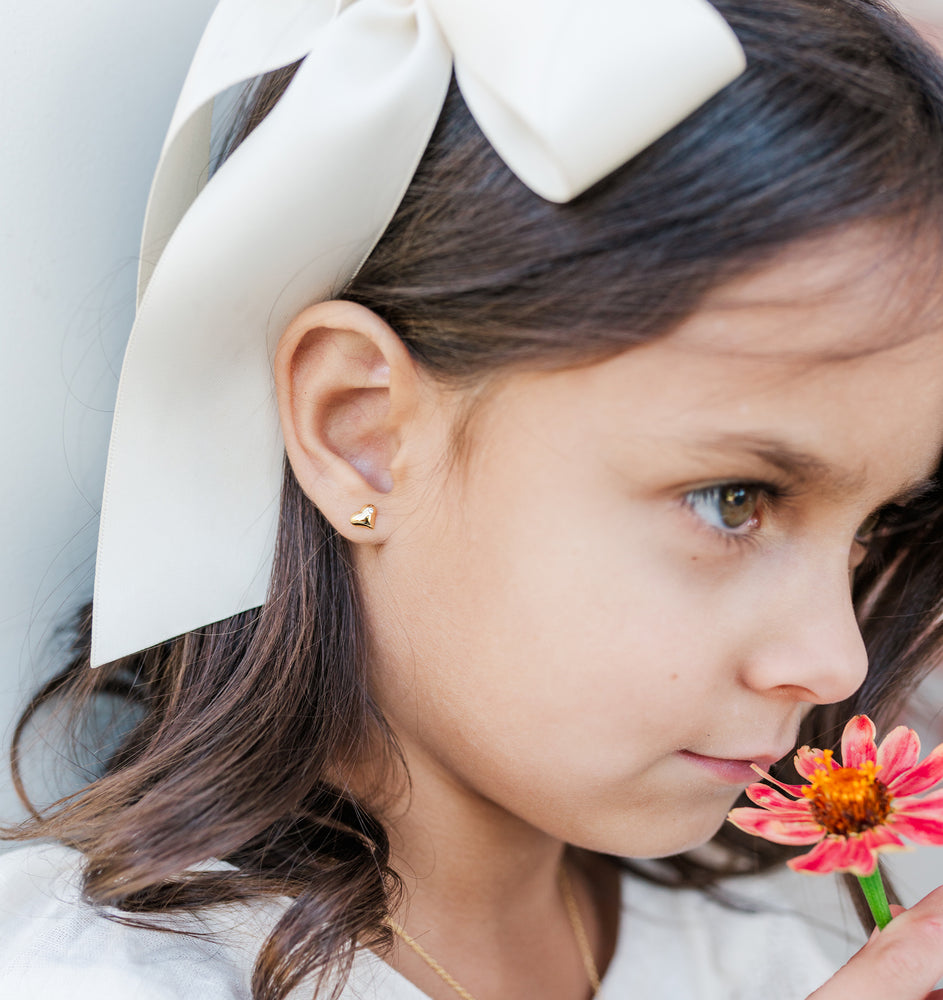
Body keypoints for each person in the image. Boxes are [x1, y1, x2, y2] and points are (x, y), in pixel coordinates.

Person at [5, 0, 943, 997]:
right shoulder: (98, 973)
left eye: (876, 529)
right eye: (732, 499)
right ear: (360, 430)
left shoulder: (796, 964)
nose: (834, 659)